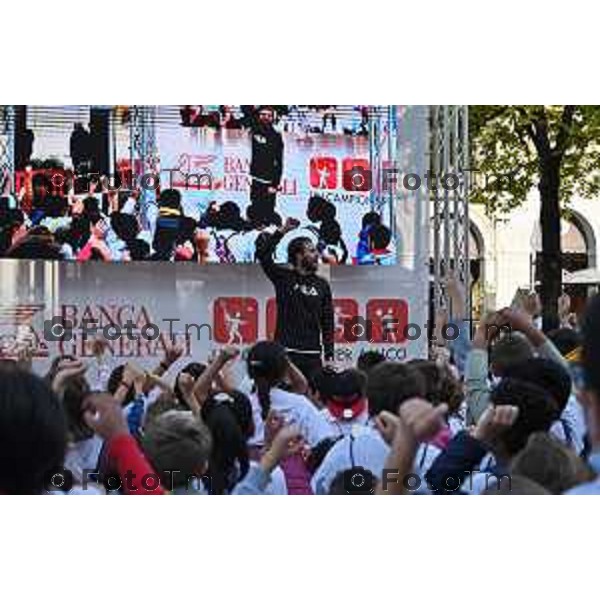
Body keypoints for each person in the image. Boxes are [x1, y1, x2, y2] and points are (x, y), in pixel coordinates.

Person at [256, 218, 335, 377]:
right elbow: (263, 256)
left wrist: (329, 355)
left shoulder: (322, 284)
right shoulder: (283, 278)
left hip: (312, 354)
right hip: (286, 352)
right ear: (298, 255)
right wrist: (282, 231)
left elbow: (328, 321)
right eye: (311, 251)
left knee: (313, 398)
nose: (316, 255)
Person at [248, 106, 284, 224]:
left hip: (269, 181)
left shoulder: (276, 136)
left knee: (267, 211)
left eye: (268, 115)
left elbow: (279, 161)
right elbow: (249, 111)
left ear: (273, 118)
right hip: (255, 178)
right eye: (262, 114)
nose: (265, 117)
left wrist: (275, 183)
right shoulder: (255, 129)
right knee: (254, 207)